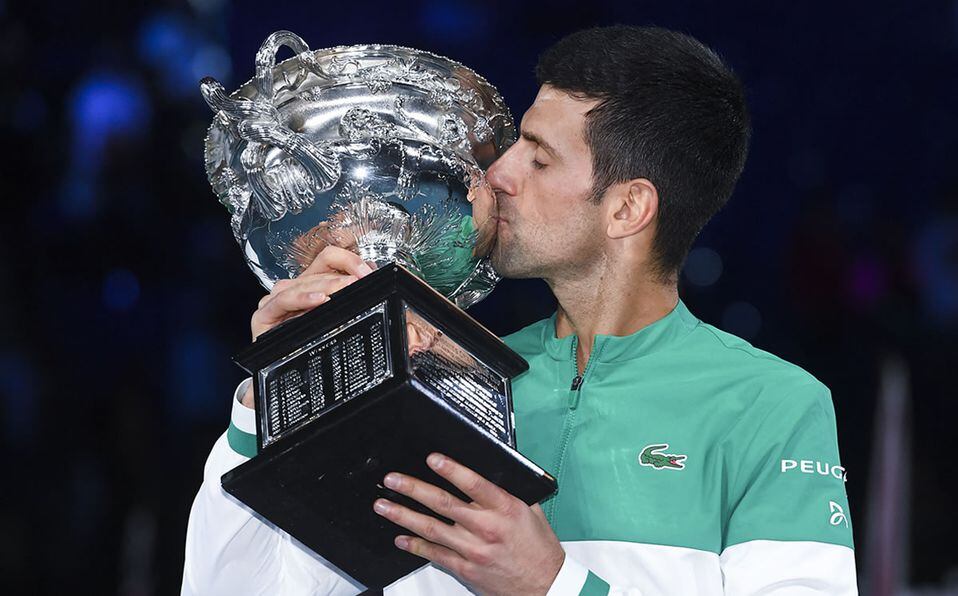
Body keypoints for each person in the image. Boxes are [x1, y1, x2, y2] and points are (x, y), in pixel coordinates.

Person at [182, 25, 857, 595]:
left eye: (537, 158)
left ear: (628, 208)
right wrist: (270, 400)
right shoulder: (437, 372)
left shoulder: (771, 405)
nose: (496, 175)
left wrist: (552, 585)